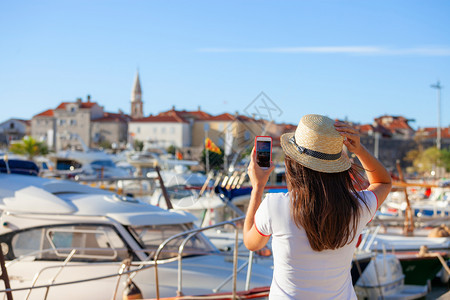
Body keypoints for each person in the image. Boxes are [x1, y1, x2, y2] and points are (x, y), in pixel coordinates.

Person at [244, 114, 392, 299]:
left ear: (293, 164)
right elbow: (384, 182)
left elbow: (251, 243)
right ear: (337, 166)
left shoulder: (275, 206)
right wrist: (359, 150)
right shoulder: (357, 207)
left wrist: (257, 187)